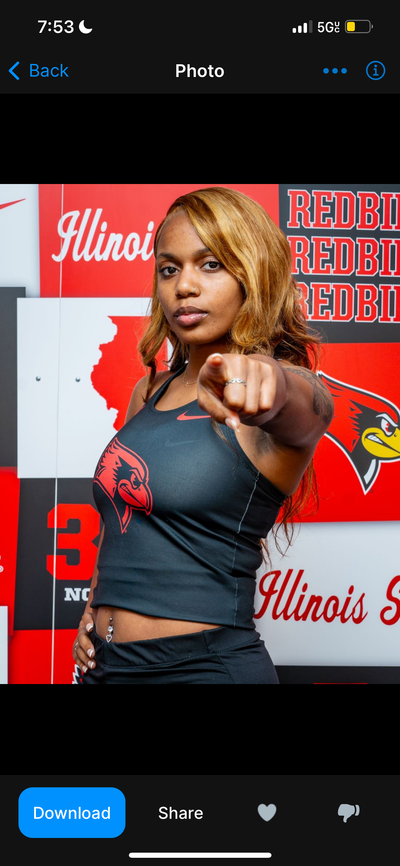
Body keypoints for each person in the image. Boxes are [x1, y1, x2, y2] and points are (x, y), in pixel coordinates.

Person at [72, 186, 334, 684]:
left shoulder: (278, 392)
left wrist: (263, 379)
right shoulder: (148, 392)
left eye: (210, 264)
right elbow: (122, 521)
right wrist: (94, 607)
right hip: (106, 668)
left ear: (252, 273)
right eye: (169, 269)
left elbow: (303, 404)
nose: (184, 286)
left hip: (203, 669)